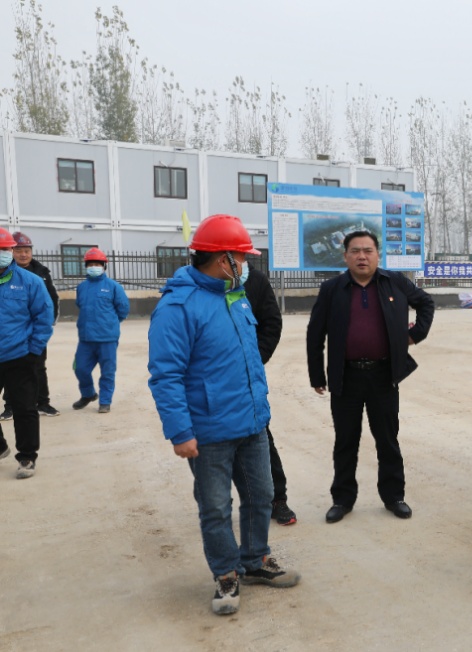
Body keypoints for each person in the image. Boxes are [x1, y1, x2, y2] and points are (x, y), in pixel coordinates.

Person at [148, 214, 300, 616]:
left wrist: (260, 409)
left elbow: (251, 359)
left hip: (252, 424)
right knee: (215, 508)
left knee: (261, 496)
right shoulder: (178, 307)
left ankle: (256, 560)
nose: (246, 265)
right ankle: (226, 573)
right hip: (209, 431)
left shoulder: (236, 296)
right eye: (242, 257)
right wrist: (180, 432)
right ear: (223, 260)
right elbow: (166, 375)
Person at [306, 231, 435, 524]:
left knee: (387, 439)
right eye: (355, 251)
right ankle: (342, 499)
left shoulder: (395, 282)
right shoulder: (332, 289)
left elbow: (426, 303)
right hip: (346, 376)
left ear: (378, 254)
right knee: (345, 441)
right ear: (345, 256)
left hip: (383, 375)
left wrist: (415, 335)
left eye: (368, 250)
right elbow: (315, 334)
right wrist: (317, 374)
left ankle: (394, 497)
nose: (362, 256)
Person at [243, 262, 297, 526]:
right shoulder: (195, 284)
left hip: (246, 378)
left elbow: (272, 323)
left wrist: (256, 359)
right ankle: (220, 507)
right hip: (210, 385)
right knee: (214, 450)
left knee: (261, 437)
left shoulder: (255, 281)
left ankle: (278, 499)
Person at [0, 228, 53, 479]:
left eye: (5, 249)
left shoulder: (30, 282)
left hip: (19, 356)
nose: (3, 253)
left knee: (24, 409)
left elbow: (44, 317)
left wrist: (34, 350)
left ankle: (27, 457)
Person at [0, 231, 60, 420]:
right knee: (10, 372)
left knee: (39, 368)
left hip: (34, 333)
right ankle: (10, 406)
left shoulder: (41, 273)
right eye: (19, 251)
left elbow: (52, 299)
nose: (23, 254)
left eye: (27, 250)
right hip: (11, 337)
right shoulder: (8, 274)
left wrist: (48, 324)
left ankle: (43, 403)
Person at [71, 248, 129, 414]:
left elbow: (123, 309)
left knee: (107, 372)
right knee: (80, 368)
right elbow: (80, 305)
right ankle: (88, 394)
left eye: (97, 264)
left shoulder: (113, 286)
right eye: (90, 264)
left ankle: (105, 401)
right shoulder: (82, 287)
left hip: (107, 339)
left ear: (104, 266)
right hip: (86, 339)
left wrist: (110, 323)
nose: (94, 267)